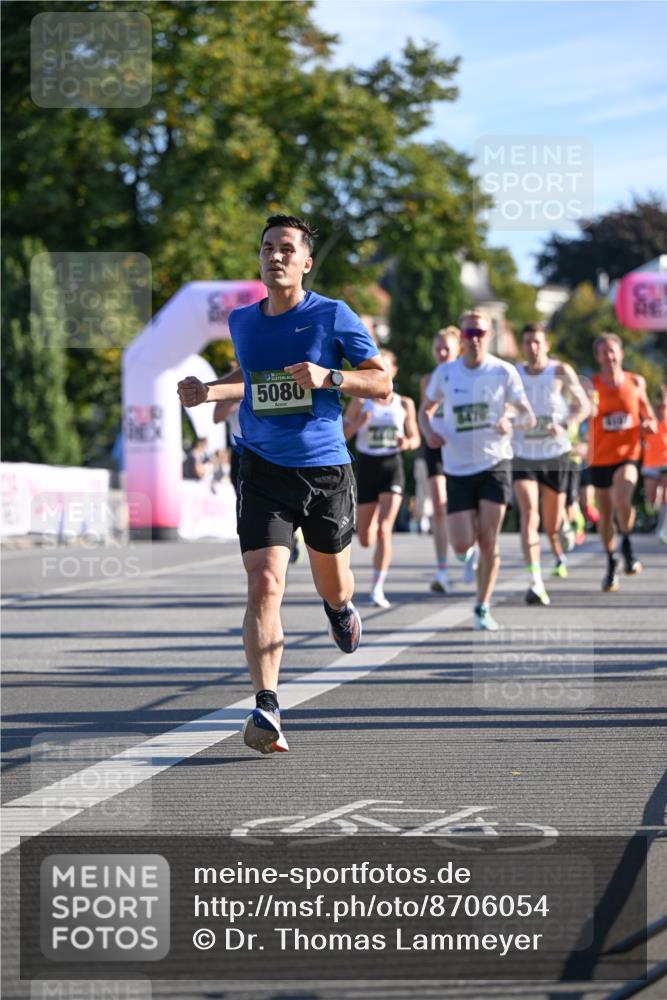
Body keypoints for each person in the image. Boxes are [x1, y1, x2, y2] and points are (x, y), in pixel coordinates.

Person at [177, 214, 390, 754]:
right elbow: (246, 382)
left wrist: (331, 376)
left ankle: (340, 610)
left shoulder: (333, 315)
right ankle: (267, 704)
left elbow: (383, 382)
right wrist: (209, 391)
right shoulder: (244, 322)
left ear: (306, 261)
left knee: (333, 585)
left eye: (287, 249)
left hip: (325, 470)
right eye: (268, 247)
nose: (276, 256)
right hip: (262, 468)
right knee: (265, 581)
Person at [419, 310, 535, 631]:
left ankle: (482, 605)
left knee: (488, 541)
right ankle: (462, 557)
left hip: (494, 463)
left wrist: (510, 419)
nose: (475, 339)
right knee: (461, 544)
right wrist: (428, 431)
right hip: (456, 468)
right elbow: (425, 410)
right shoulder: (446, 373)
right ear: (462, 337)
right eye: (469, 333)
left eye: (481, 333)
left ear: (490, 335)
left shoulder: (503, 371)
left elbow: (528, 415)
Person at [512, 324, 590, 604]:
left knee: (552, 524)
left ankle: (565, 529)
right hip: (523, 455)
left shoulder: (560, 371)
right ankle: (535, 581)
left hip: (555, 455)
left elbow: (583, 405)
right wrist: (508, 418)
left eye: (536, 342)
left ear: (546, 344)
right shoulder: (516, 374)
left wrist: (566, 423)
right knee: (529, 515)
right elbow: (503, 405)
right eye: (527, 343)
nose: (532, 348)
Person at [343, 349, 420, 608]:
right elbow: (342, 436)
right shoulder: (360, 402)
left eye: (388, 367)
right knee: (365, 537)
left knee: (385, 529)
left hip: (392, 466)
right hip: (367, 467)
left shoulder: (405, 403)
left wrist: (406, 442)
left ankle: (377, 587)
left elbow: (416, 438)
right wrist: (358, 423)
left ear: (394, 371)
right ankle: (373, 549)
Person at [585, 333, 657, 592]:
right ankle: (611, 560)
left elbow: (648, 414)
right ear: (598, 357)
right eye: (604, 352)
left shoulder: (636, 382)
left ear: (621, 353)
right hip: (600, 457)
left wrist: (649, 424)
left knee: (622, 499)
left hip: (628, 455)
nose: (609, 356)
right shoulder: (591, 386)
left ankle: (626, 541)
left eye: (613, 351)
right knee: (605, 514)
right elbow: (581, 411)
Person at [419, 328, 477, 594]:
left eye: (447, 349)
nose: (441, 353)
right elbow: (424, 414)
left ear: (458, 352)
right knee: (439, 506)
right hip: (436, 446)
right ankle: (441, 570)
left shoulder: (467, 377)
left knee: (469, 507)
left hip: (462, 446)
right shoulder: (428, 380)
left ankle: (469, 551)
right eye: (437, 349)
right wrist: (429, 433)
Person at [641, 384, 667, 543]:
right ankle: (656, 517)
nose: (662, 407)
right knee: (651, 500)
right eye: (660, 403)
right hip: (650, 461)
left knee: (666, 495)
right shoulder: (649, 416)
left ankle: (662, 529)